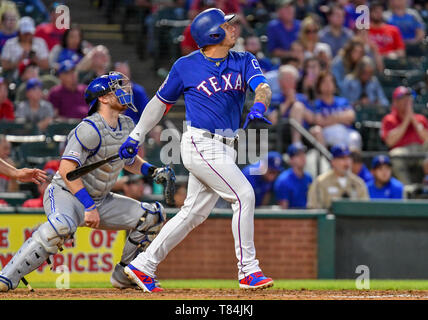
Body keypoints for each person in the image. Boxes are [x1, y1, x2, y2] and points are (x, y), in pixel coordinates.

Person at [118, 8, 274, 292]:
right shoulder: (185, 66)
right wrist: (136, 135)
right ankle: (248, 271)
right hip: (201, 143)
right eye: (227, 25)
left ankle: (143, 265)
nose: (234, 28)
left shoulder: (243, 59)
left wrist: (260, 104)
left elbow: (262, 86)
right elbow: (159, 103)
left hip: (226, 146)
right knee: (243, 195)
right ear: (212, 33)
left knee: (193, 214)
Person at [0, 71, 169, 292]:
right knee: (61, 225)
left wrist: (152, 170)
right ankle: (6, 278)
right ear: (103, 98)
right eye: (117, 89)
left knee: (153, 216)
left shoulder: (127, 124)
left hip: (101, 198)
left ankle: (124, 274)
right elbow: (67, 169)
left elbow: (127, 159)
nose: (124, 92)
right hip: (66, 194)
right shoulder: (89, 128)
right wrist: (88, 207)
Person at [381, 86, 428, 184]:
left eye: (408, 98)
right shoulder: (389, 119)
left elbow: (426, 139)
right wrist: (406, 119)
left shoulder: (420, 118)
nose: (406, 101)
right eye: (402, 99)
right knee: (394, 156)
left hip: (420, 151)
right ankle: (407, 188)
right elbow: (390, 142)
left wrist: (413, 119)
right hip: (402, 153)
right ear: (395, 102)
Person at [307, 144, 369, 209]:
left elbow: (365, 209)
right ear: (333, 162)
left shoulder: (358, 183)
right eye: (342, 158)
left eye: (348, 158)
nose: (346, 162)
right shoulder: (321, 182)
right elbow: (314, 209)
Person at [310, 71, 362, 150]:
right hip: (328, 132)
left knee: (355, 137)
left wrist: (329, 119)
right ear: (319, 86)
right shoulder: (317, 103)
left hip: (346, 131)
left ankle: (352, 162)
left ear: (334, 85)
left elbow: (351, 116)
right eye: (324, 82)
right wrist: (342, 118)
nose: (328, 84)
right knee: (337, 135)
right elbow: (319, 121)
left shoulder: (342, 101)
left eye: (330, 81)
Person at [267, 64, 314, 143]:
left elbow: (312, 119)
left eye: (292, 79)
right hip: (282, 133)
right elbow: (272, 120)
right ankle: (296, 144)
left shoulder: (302, 98)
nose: (290, 82)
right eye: (286, 79)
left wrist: (295, 101)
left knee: (298, 107)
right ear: (280, 82)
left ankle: (297, 143)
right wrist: (288, 102)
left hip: (305, 133)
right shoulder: (274, 98)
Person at [274, 142, 312, 209]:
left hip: (308, 217)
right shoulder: (284, 180)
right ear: (291, 160)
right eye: (298, 155)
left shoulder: (308, 177)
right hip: (292, 218)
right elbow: (283, 210)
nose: (302, 157)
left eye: (303, 153)